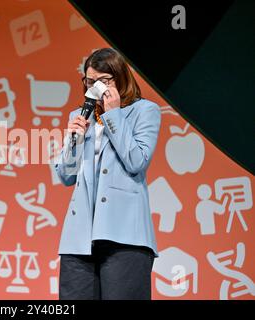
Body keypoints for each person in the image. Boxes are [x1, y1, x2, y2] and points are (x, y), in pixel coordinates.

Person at [55, 48, 161, 300]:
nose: (96, 88)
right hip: (79, 238)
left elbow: (137, 162)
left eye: (104, 81)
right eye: (90, 81)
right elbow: (66, 175)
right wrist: (74, 139)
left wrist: (114, 115)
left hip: (126, 237)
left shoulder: (144, 111)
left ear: (120, 78)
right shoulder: (79, 115)